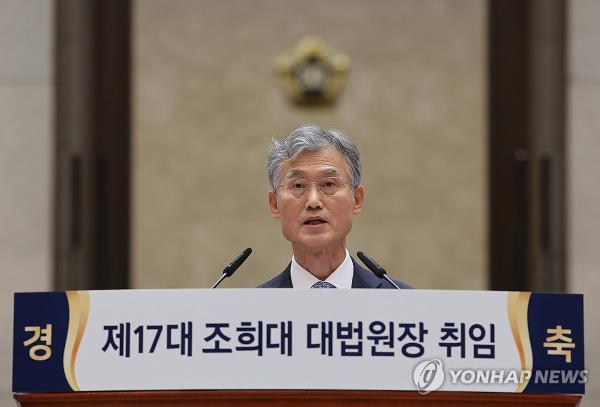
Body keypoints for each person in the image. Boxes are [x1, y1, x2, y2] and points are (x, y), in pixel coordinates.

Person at [259, 124, 410, 289]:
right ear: (275, 204)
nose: (313, 201)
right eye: (298, 186)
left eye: (328, 184)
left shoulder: (401, 303)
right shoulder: (252, 310)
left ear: (357, 199)